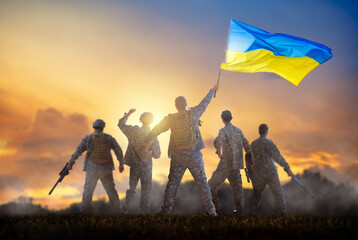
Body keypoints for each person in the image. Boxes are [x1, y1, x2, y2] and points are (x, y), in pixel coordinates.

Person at [142, 84, 220, 216]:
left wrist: (146, 141)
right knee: (202, 183)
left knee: (172, 184)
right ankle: (211, 211)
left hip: (178, 156)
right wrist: (213, 90)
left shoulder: (170, 119)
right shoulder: (194, 113)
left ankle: (165, 211)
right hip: (194, 155)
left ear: (175, 106)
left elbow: (157, 129)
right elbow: (204, 103)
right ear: (186, 104)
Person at [66, 119, 124, 214]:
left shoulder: (88, 138)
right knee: (111, 190)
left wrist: (70, 163)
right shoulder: (109, 138)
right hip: (106, 169)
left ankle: (84, 213)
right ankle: (118, 211)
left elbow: (78, 151)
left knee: (88, 191)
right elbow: (118, 150)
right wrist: (121, 163)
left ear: (94, 127)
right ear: (103, 127)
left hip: (92, 169)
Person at [208, 110, 253, 215]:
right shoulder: (238, 131)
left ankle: (216, 211)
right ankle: (239, 212)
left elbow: (217, 142)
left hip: (225, 165)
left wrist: (219, 152)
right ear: (231, 118)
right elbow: (246, 145)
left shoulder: (223, 131)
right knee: (237, 190)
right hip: (236, 165)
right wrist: (251, 160)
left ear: (222, 118)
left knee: (210, 186)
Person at [118, 109, 161, 214]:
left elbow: (121, 124)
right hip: (147, 166)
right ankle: (144, 212)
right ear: (151, 121)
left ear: (141, 120)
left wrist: (127, 114)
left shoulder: (134, 131)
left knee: (132, 188)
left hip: (134, 165)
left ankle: (125, 208)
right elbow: (157, 154)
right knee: (146, 189)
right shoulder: (153, 134)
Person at [249, 123, 293, 215]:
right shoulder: (269, 143)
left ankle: (250, 214)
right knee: (278, 193)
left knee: (256, 195)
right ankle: (282, 213)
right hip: (271, 173)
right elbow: (277, 157)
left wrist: (251, 173)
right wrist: (287, 168)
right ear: (266, 131)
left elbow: (249, 160)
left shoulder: (253, 144)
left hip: (259, 173)